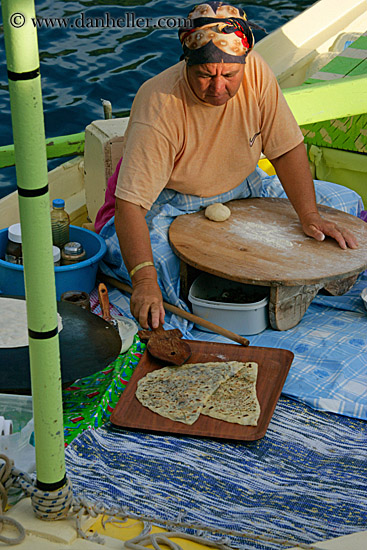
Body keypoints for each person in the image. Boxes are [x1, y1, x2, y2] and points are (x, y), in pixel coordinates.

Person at [98, 2, 362, 331]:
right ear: (187, 64)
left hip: (244, 185)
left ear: (244, 63)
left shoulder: (257, 73)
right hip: (169, 200)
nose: (218, 87)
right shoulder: (160, 103)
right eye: (205, 75)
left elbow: (285, 149)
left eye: (229, 75)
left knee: (343, 204)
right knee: (160, 273)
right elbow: (130, 205)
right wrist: (144, 281)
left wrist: (310, 215)